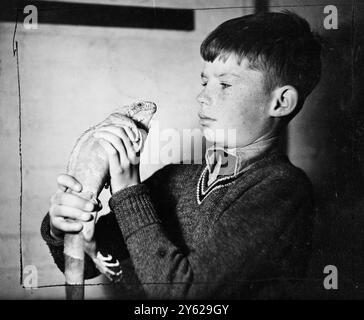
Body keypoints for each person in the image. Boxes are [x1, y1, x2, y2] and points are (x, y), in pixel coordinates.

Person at [41, 11, 322, 299]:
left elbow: (182, 295)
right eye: (204, 82)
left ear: (281, 102)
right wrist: (59, 227)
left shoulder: (281, 189)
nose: (202, 97)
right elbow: (87, 265)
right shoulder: (178, 177)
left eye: (224, 84)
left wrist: (128, 190)